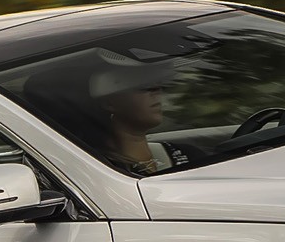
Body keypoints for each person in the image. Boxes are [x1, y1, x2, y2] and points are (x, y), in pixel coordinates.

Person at [21, 48, 182, 174]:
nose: (156, 89)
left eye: (156, 82)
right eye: (141, 85)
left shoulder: (184, 153)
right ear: (108, 102)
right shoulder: (105, 172)